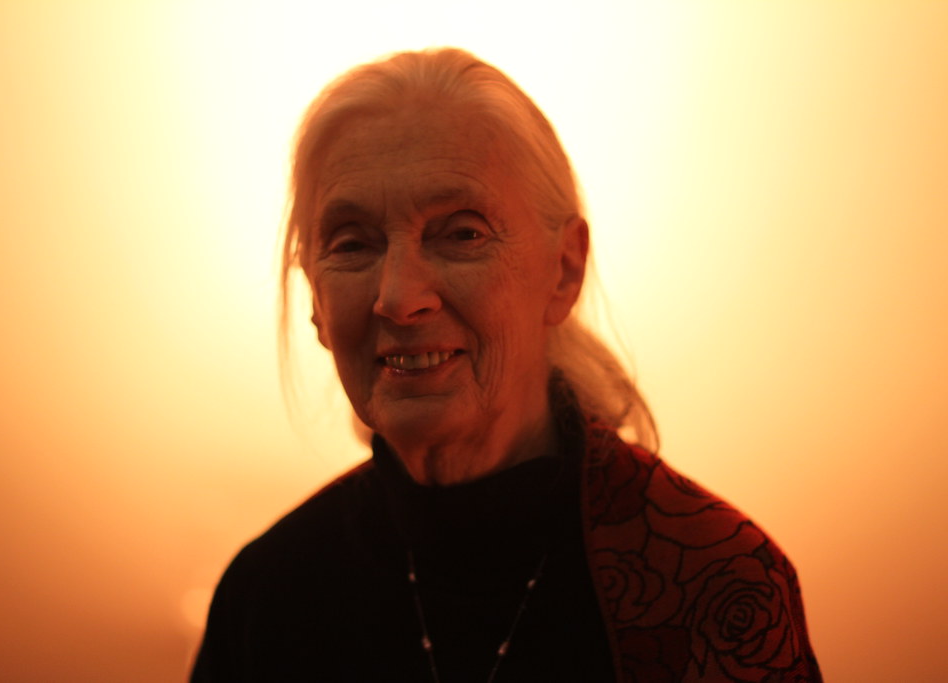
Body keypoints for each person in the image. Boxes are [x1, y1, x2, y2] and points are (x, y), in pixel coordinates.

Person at [191, 47, 822, 682]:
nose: (400, 297)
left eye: (462, 233)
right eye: (353, 244)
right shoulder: (268, 597)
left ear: (563, 270)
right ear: (315, 299)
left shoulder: (714, 588)